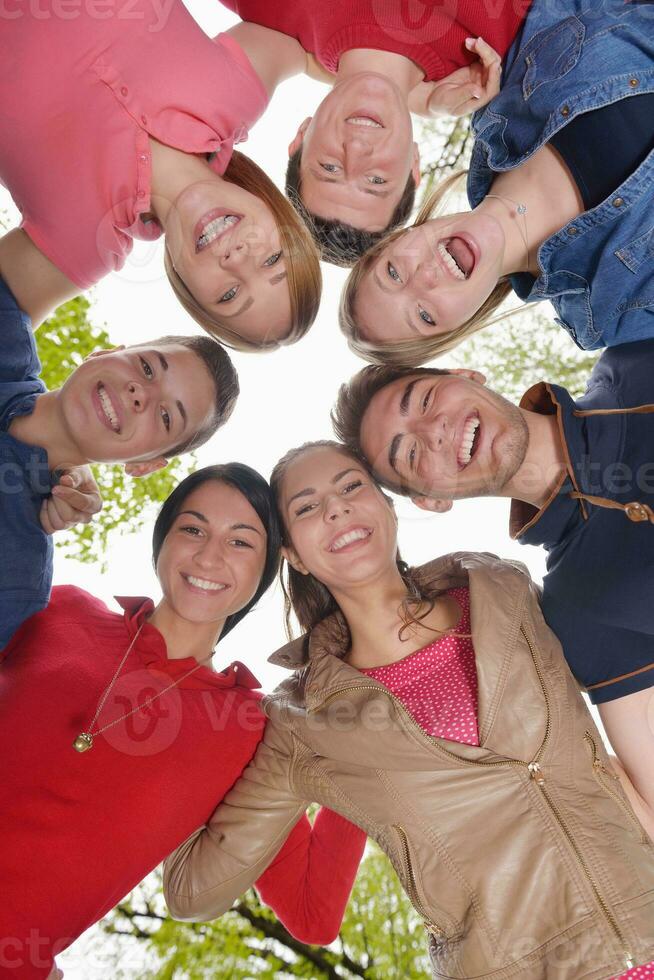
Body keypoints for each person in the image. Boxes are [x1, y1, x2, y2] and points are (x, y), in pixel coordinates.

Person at [163, 441, 654, 978]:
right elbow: (193, 891)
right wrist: (181, 707)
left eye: (352, 487)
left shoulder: (503, 590)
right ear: (295, 556)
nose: (335, 508)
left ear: (388, 506)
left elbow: (622, 687)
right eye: (306, 507)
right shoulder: (302, 726)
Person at [0, 463, 366, 979]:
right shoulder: (58, 610)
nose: (209, 555)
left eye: (241, 542)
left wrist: (367, 741)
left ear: (263, 573)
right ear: (162, 541)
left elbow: (312, 911)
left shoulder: (249, 731)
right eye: (192, 529)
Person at [332, 345, 654, 837]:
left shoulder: (635, 362)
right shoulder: (577, 612)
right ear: (432, 500)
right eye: (412, 453)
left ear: (468, 374)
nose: (434, 429)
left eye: (423, 401)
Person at [339, 0, 654, 365]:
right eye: (425, 316)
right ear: (462, 324)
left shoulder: (501, 97)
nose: (423, 278)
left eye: (393, 273)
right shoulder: (606, 315)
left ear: (400, 236)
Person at [0, 0, 321, 352]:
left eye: (229, 295)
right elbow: (318, 51)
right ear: (277, 213)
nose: (239, 260)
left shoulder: (83, 246)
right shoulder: (237, 92)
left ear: (187, 289)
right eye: (273, 260)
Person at [0, 271, 239, 649]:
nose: (139, 394)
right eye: (146, 368)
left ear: (143, 465)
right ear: (106, 353)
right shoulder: (6, 327)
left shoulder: (17, 574)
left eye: (165, 417)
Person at [218, 0, 528, 265]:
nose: (356, 150)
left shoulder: (266, 6)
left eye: (330, 168)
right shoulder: (506, 53)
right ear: (413, 166)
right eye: (376, 181)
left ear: (301, 135)